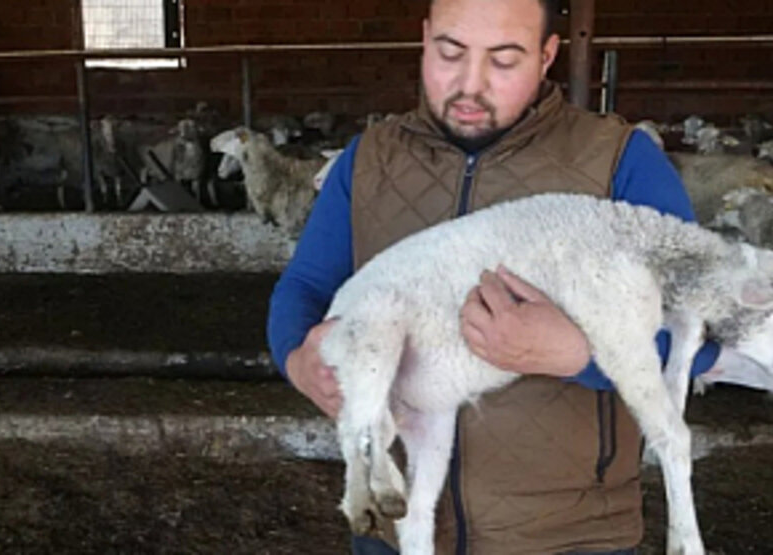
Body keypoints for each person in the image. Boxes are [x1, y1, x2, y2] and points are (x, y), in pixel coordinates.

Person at [267, 0, 721, 553]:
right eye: (449, 53)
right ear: (425, 37)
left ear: (547, 55)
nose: (470, 84)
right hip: (399, 532)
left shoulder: (620, 162)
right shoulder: (368, 162)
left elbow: (706, 333)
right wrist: (298, 360)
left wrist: (579, 353)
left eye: (503, 60)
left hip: (567, 536)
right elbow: (305, 286)